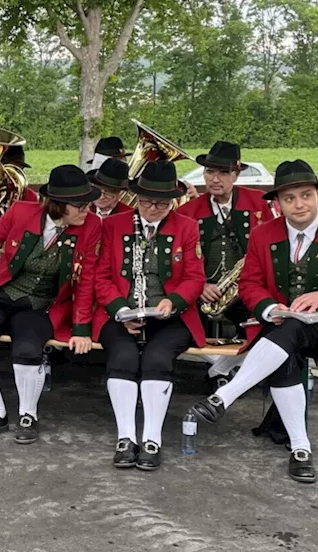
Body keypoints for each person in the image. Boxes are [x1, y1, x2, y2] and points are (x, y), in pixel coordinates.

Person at [190, 160, 318, 484]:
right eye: (290, 198)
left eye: (306, 195)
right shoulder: (262, 234)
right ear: (277, 203)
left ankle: (225, 396)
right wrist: (269, 308)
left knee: (289, 332)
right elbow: (250, 285)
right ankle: (301, 449)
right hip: (280, 327)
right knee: (288, 338)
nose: (299, 204)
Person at [0, 164, 102, 444]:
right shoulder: (23, 211)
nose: (88, 209)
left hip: (41, 304)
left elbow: (86, 280)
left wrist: (81, 327)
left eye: (88, 203)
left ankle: (28, 414)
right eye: (80, 205)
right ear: (59, 205)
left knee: (27, 351)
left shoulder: (92, 225)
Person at [82, 160, 206, 472]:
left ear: (173, 201)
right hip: (120, 313)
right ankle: (126, 437)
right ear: (136, 197)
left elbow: (195, 278)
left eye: (163, 203)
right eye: (148, 201)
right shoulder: (112, 225)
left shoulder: (187, 227)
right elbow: (101, 276)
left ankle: (152, 439)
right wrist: (120, 310)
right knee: (122, 357)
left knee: (157, 359)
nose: (154, 208)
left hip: (171, 316)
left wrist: (173, 301)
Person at [177, 141, 280, 386]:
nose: (215, 179)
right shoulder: (189, 209)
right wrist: (199, 285)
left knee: (264, 326)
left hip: (246, 287)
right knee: (181, 329)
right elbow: (179, 256)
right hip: (201, 289)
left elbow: (272, 246)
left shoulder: (259, 203)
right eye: (210, 172)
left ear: (236, 174)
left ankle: (220, 372)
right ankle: (227, 372)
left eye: (223, 172)